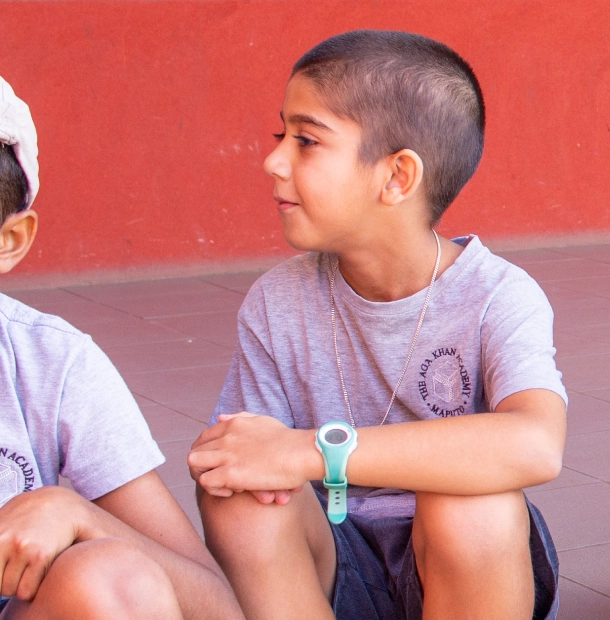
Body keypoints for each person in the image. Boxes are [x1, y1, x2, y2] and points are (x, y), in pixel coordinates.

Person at [187, 31, 568, 620]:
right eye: (280, 135)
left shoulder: (498, 296)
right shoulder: (277, 302)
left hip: (468, 562)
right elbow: (248, 454)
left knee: (468, 505)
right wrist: (247, 457)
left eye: (307, 140)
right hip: (332, 562)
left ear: (396, 178)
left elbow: (537, 445)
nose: (274, 160)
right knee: (237, 497)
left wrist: (311, 451)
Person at [0, 75, 243, 620]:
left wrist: (77, 515)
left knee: (114, 580)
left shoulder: (52, 366)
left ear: (9, 241)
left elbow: (214, 610)